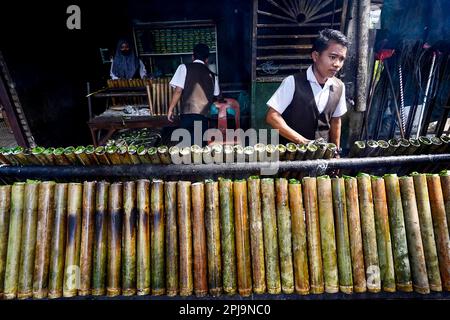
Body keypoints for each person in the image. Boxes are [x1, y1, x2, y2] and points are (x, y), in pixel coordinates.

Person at [265, 28, 349, 152]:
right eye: (332, 57)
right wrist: (302, 141)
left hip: (321, 156)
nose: (337, 64)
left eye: (341, 59)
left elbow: (336, 121)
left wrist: (335, 153)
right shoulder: (292, 82)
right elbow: (272, 117)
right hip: (292, 156)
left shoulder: (339, 87)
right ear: (315, 56)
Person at [167, 43, 220, 147]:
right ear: (207, 60)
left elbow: (178, 91)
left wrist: (170, 109)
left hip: (187, 115)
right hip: (203, 116)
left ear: (192, 56)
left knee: (185, 146)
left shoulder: (184, 67)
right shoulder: (213, 75)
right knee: (200, 147)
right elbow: (216, 95)